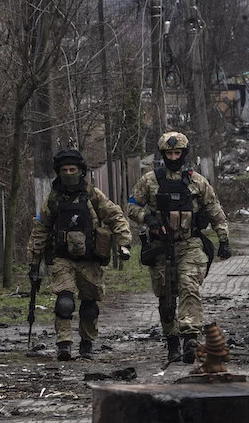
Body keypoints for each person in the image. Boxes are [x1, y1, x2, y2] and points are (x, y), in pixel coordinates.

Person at [127, 131, 233, 365]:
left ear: (184, 154)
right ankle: (172, 342)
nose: (173, 157)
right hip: (160, 247)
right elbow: (131, 206)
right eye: (169, 153)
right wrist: (148, 219)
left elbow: (215, 209)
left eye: (177, 153)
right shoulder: (149, 181)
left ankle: (190, 338)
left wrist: (223, 239)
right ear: (163, 155)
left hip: (190, 244)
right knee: (166, 298)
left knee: (189, 287)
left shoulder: (197, 181)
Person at [27, 148, 131, 361]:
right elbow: (41, 229)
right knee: (64, 302)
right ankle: (64, 344)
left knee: (89, 307)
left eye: (72, 169)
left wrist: (124, 243)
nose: (68, 173)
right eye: (64, 169)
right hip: (62, 258)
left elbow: (115, 216)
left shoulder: (93, 195)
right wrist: (34, 260)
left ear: (80, 170)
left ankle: (87, 343)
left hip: (90, 259)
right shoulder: (53, 199)